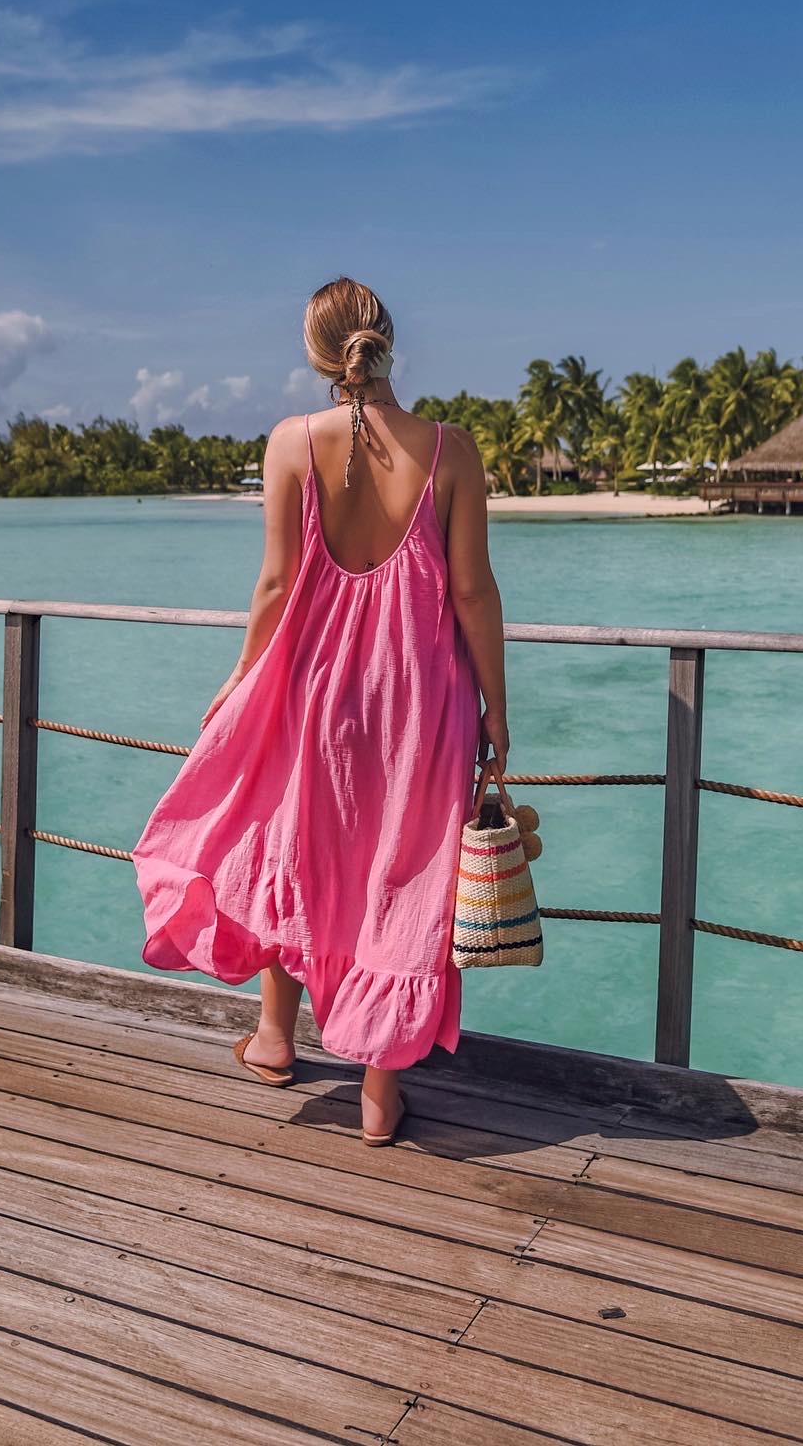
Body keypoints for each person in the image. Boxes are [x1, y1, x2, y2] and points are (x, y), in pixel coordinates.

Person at [131, 276, 511, 1146]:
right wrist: (496, 706)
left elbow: (274, 584)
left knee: (291, 847)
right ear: (388, 342)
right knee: (401, 876)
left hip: (312, 689)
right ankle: (380, 1094)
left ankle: (274, 1039)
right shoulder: (450, 450)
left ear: (316, 354)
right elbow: (472, 590)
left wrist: (239, 676)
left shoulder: (291, 443)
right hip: (420, 700)